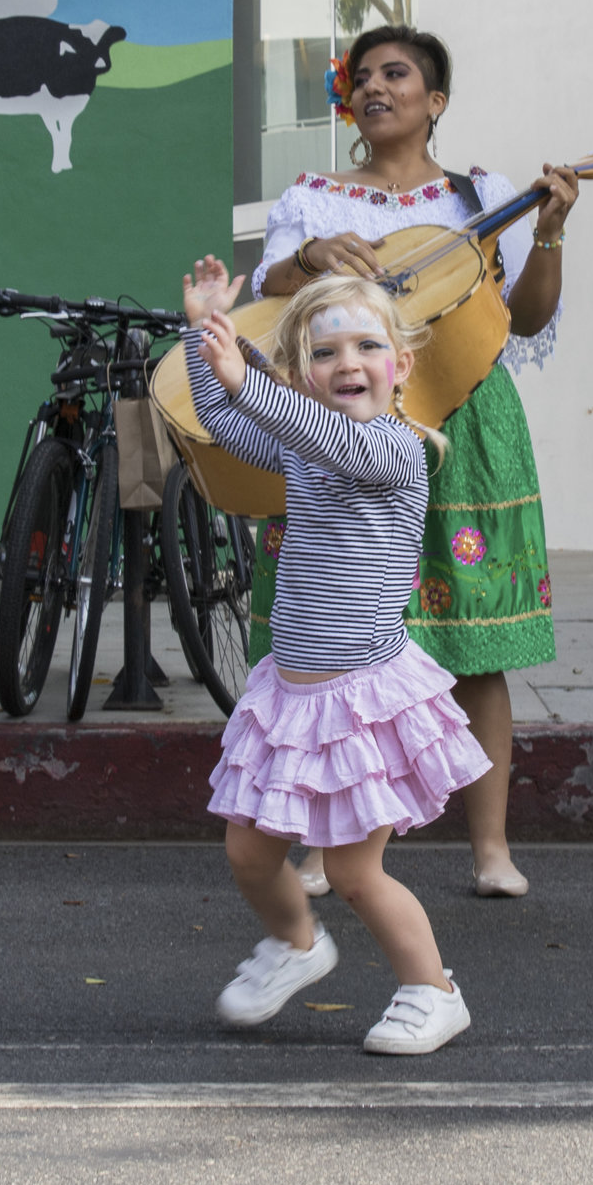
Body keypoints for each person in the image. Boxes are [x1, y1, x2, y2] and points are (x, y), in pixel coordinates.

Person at [251, 24, 576, 899]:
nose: (375, 87)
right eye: (362, 76)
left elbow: (530, 319)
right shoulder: (315, 199)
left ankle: (492, 847)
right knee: (338, 635)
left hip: (465, 422)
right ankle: (322, 841)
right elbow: (265, 297)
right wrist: (305, 262)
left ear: (436, 100)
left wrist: (548, 232)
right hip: (339, 431)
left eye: (397, 74)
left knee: (476, 641)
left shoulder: (483, 195)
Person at [183, 255, 492, 1055]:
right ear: (301, 372)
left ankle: (434, 989)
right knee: (249, 850)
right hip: (292, 691)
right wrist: (203, 334)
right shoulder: (304, 442)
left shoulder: (393, 452)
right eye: (323, 353)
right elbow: (227, 420)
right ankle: (295, 944)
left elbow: (308, 427)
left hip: (362, 695)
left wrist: (258, 384)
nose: (347, 363)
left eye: (364, 346)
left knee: (357, 872)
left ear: (403, 365)